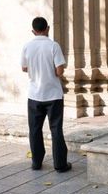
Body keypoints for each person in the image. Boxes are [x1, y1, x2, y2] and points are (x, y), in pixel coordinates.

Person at [20, 16, 71, 173]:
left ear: (33, 31)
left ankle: (36, 162)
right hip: (53, 95)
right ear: (48, 28)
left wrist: (36, 71)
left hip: (34, 95)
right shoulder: (53, 46)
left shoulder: (27, 47)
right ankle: (60, 164)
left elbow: (24, 68)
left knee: (34, 129)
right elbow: (59, 70)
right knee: (56, 129)